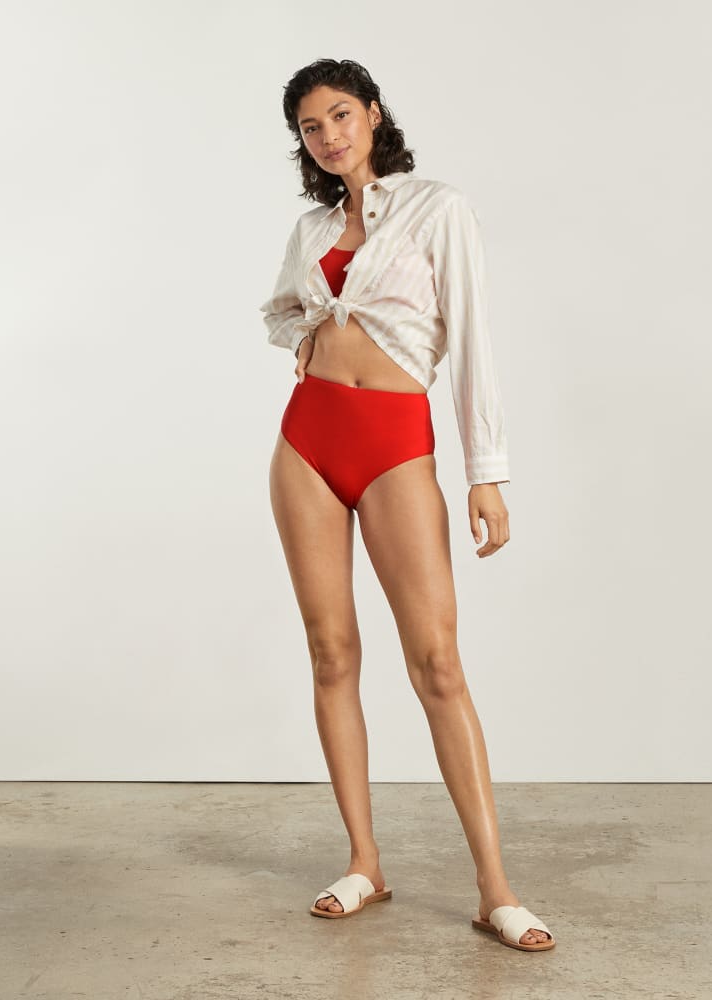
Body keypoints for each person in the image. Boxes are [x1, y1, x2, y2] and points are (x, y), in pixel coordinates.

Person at [259, 58, 556, 954]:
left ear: (374, 114)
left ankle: (495, 890)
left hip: (395, 443)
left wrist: (485, 471)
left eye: (340, 115)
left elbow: (472, 340)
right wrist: (307, 332)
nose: (329, 136)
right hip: (306, 443)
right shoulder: (312, 228)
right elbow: (283, 314)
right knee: (330, 653)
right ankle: (364, 862)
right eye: (311, 127)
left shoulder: (437, 208)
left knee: (436, 664)